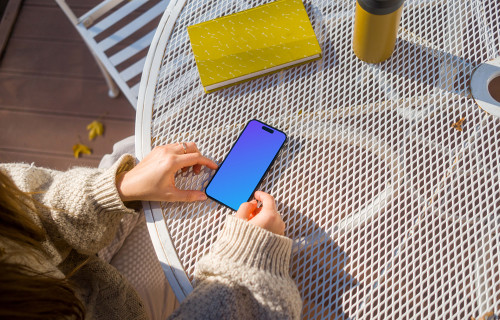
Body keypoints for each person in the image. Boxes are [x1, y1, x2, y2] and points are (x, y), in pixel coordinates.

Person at [0, 142, 302, 319]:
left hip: (85, 270)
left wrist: (114, 189)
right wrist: (250, 260)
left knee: (140, 147)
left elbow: (25, 202)